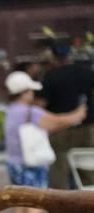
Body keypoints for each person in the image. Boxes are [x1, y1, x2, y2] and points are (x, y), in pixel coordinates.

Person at [3, 70, 86, 213]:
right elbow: (55, 122)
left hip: (15, 164)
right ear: (24, 92)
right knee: (35, 205)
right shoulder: (29, 112)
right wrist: (77, 114)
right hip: (31, 165)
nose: (32, 95)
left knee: (20, 204)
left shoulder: (12, 111)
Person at [40, 43, 94, 190]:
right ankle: (89, 205)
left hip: (59, 129)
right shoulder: (87, 73)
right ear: (70, 55)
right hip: (87, 129)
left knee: (58, 171)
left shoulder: (50, 77)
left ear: (54, 57)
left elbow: (41, 105)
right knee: (87, 169)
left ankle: (61, 209)